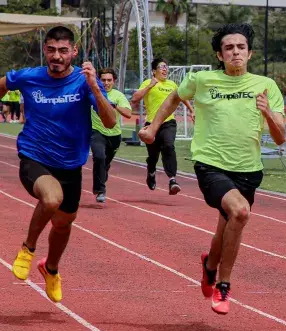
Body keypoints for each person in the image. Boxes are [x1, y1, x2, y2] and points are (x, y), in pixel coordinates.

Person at [139, 23, 286, 315]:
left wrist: (267, 111)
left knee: (226, 226)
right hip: (211, 164)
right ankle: (224, 285)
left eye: (240, 47)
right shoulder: (202, 79)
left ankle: (209, 266)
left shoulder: (266, 86)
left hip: (248, 169)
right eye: (229, 48)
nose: (235, 52)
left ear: (250, 53)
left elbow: (280, 137)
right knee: (240, 212)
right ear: (220, 55)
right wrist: (153, 127)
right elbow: (174, 98)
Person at [1, 26, 116, 302]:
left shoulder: (83, 81)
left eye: (63, 50)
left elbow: (111, 121)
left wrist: (93, 87)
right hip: (34, 157)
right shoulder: (30, 77)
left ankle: (51, 268)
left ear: (74, 52)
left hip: (70, 164)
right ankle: (28, 249)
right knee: (51, 199)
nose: (57, 56)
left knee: (63, 225)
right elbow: (3, 84)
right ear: (45, 50)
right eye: (51, 50)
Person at [131, 58, 194, 195]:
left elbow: (181, 96)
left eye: (166, 67)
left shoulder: (172, 84)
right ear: (154, 71)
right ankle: (151, 172)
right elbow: (135, 98)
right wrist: (149, 86)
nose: (165, 69)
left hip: (168, 123)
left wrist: (191, 110)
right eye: (161, 67)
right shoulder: (148, 82)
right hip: (152, 124)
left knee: (169, 146)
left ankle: (172, 180)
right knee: (153, 155)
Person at [90, 68, 132, 203]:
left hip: (114, 135)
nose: (106, 83)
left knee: (105, 163)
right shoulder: (94, 93)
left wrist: (115, 106)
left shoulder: (118, 96)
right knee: (99, 157)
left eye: (109, 80)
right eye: (103, 80)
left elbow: (128, 113)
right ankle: (100, 190)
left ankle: (103, 174)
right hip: (96, 131)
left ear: (114, 81)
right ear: (99, 81)